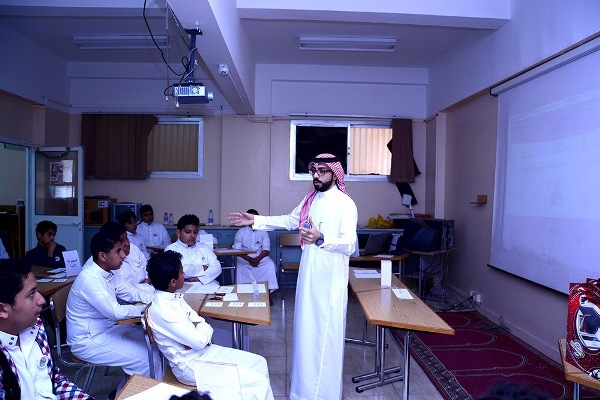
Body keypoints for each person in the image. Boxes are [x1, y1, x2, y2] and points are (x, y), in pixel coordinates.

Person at [229, 153, 358, 400]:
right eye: (314, 171)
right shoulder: (311, 199)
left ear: (335, 174)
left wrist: (321, 238)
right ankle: (302, 393)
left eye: (322, 171)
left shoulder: (345, 204)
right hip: (308, 277)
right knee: (305, 335)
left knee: (325, 337)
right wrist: (255, 219)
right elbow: (290, 219)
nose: (316, 175)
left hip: (329, 282)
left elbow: (350, 244)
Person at [146, 251, 274, 400]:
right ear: (173, 282)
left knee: (259, 362)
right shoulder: (162, 309)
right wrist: (198, 329)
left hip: (204, 352)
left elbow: (198, 323)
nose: (184, 274)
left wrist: (197, 328)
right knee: (258, 382)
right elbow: (199, 341)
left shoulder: (174, 297)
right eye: (181, 272)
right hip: (191, 366)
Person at [66, 229, 162, 383]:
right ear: (102, 256)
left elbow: (131, 292)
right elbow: (115, 312)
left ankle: (123, 391)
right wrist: (148, 308)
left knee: (156, 342)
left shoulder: (108, 271)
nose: (123, 255)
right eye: (118, 251)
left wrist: (159, 299)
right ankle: (136, 392)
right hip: (88, 340)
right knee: (147, 360)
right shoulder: (90, 279)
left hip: (108, 329)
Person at [0, 258, 92, 399]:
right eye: (31, 294)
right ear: (2, 310)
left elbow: (54, 381)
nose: (42, 300)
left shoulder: (35, 327)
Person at [233, 209, 279, 298]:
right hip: (244, 256)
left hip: (260, 255)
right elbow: (237, 250)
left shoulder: (263, 231)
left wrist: (258, 259)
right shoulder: (241, 232)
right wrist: (249, 259)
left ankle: (267, 294)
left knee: (270, 265)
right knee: (239, 266)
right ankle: (242, 294)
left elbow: (266, 249)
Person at [164, 214, 221, 285]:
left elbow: (217, 267)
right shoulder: (171, 249)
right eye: (188, 232)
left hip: (208, 284)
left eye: (195, 232)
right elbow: (178, 270)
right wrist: (202, 268)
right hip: (183, 286)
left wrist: (199, 279)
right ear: (178, 233)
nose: (192, 236)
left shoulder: (204, 247)